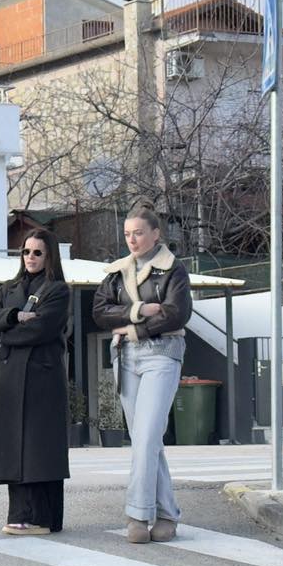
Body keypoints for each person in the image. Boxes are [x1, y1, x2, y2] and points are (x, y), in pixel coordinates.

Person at [92, 202, 192, 544]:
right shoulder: (116, 272)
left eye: (138, 233)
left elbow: (176, 313)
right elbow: (99, 312)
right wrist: (139, 309)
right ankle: (167, 514)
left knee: (147, 437)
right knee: (145, 442)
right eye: (127, 234)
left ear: (155, 234)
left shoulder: (173, 269)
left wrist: (133, 327)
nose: (132, 240)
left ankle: (137, 515)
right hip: (125, 356)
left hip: (162, 352)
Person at [0, 231, 72, 535]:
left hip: (40, 379)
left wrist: (5, 332)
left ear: (50, 256)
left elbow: (42, 329)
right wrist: (15, 316)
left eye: (37, 252)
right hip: (8, 379)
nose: (30, 257)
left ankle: (40, 517)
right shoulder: (9, 288)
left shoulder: (58, 290)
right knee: (12, 448)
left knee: (38, 449)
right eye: (26, 251)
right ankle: (22, 514)